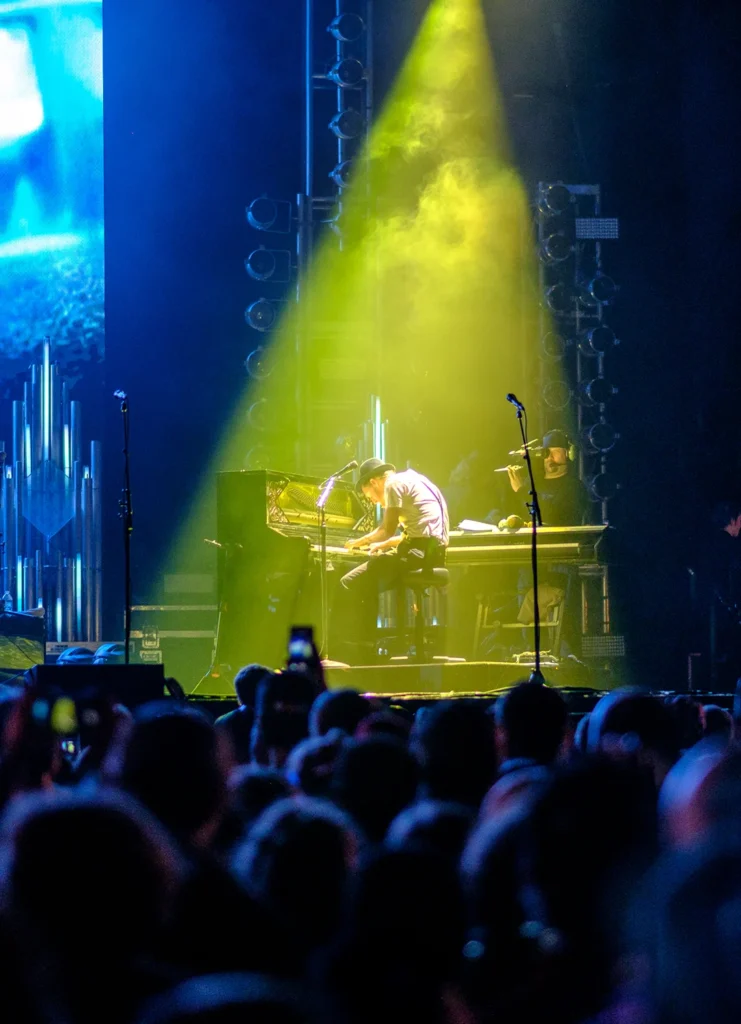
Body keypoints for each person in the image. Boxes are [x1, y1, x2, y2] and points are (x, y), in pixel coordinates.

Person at [337, 458, 449, 657]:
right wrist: (382, 545)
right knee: (375, 574)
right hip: (432, 553)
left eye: (368, 496)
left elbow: (386, 530)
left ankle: (358, 648)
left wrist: (358, 542)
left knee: (348, 582)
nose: (372, 501)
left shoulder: (391, 485)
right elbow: (418, 532)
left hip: (417, 554)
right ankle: (378, 643)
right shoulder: (417, 480)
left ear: (374, 482)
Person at [507, 428, 589, 526]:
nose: (550, 457)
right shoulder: (532, 483)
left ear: (568, 454)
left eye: (556, 452)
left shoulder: (575, 488)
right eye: (546, 452)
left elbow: (553, 518)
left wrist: (522, 491)